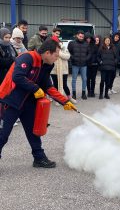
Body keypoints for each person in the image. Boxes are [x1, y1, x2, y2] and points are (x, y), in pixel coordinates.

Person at [0, 39, 77, 168]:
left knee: (33, 132)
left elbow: (48, 86)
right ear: (47, 52)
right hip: (10, 101)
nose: (57, 58)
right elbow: (17, 77)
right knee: (3, 134)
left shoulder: (46, 65)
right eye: (56, 55)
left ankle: (39, 158)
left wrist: (64, 101)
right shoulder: (27, 58)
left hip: (28, 103)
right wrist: (36, 89)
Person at [50, 28, 77, 104]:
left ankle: (69, 98)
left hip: (64, 69)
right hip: (54, 69)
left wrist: (59, 53)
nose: (57, 35)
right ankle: (56, 99)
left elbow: (68, 56)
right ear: (53, 33)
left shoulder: (63, 46)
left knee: (64, 84)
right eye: (56, 33)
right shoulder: (50, 45)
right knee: (55, 85)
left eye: (58, 34)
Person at [68, 30, 90, 100]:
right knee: (74, 79)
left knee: (84, 79)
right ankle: (74, 94)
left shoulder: (86, 44)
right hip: (75, 64)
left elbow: (89, 53)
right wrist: (73, 58)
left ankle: (83, 93)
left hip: (84, 65)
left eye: (82, 37)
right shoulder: (72, 43)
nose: (81, 38)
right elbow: (68, 52)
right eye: (80, 36)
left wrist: (86, 59)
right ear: (77, 35)